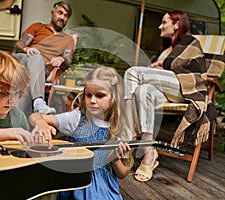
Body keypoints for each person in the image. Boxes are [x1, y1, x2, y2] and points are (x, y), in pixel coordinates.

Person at [124, 11, 209, 182]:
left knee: (132, 72)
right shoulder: (165, 49)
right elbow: (149, 75)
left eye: (164, 22)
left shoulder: (190, 43)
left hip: (183, 87)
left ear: (177, 24)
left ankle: (128, 131)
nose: (159, 26)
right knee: (143, 91)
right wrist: (156, 68)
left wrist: (164, 67)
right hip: (164, 92)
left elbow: (196, 71)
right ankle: (149, 152)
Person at [29, 66, 134, 200]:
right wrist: (41, 122)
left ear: (114, 96)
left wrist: (115, 159)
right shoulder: (77, 118)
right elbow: (35, 116)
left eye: (100, 95)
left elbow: (123, 173)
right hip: (74, 182)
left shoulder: (121, 130)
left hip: (103, 186)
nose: (92, 101)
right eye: (88, 95)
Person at [13, 1, 75, 116]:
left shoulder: (68, 39)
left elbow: (68, 61)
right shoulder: (38, 26)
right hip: (22, 60)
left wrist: (61, 58)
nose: (62, 17)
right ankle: (38, 102)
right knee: (36, 57)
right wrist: (26, 49)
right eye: (60, 13)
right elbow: (18, 46)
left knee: (29, 78)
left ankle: (15, 122)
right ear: (52, 13)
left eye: (66, 16)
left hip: (40, 69)